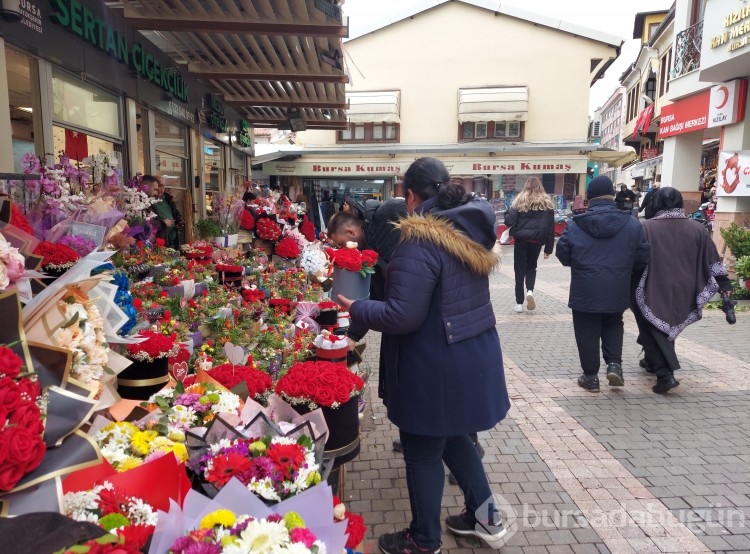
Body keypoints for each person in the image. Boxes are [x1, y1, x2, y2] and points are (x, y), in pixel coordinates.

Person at [337, 157, 511, 553]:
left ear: (409, 195)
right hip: (468, 352)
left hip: (434, 363)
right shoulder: (467, 230)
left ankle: (423, 539)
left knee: (421, 448)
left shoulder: (420, 240)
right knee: (453, 440)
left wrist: (357, 307)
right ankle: (486, 519)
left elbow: (402, 315)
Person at [632, 187, 733, 394]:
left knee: (653, 328)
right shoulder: (698, 229)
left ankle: (665, 374)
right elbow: (713, 262)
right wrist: (724, 286)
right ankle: (651, 361)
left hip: (652, 285)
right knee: (663, 327)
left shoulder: (646, 228)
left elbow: (634, 259)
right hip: (687, 287)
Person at [555, 175, 651, 392]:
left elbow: (563, 253)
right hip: (617, 286)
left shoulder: (576, 224)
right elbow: (643, 256)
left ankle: (590, 377)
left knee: (586, 330)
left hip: (584, 288)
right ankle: (614, 365)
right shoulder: (632, 223)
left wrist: (580, 265)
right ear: (613, 195)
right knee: (614, 323)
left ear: (589, 198)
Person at [503, 176, 555, 313]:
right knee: (532, 267)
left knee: (519, 270)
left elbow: (509, 221)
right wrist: (549, 248)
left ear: (526, 185)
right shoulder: (546, 202)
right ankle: (530, 291)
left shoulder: (520, 199)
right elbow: (551, 227)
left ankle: (519, 303)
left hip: (521, 240)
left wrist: (507, 212)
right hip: (537, 241)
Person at [144, 175, 180, 248]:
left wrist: (179, 222)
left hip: (172, 239)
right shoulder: (147, 202)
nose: (160, 189)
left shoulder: (168, 199)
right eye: (157, 188)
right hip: (158, 242)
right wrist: (164, 223)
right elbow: (150, 222)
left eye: (162, 186)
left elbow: (176, 214)